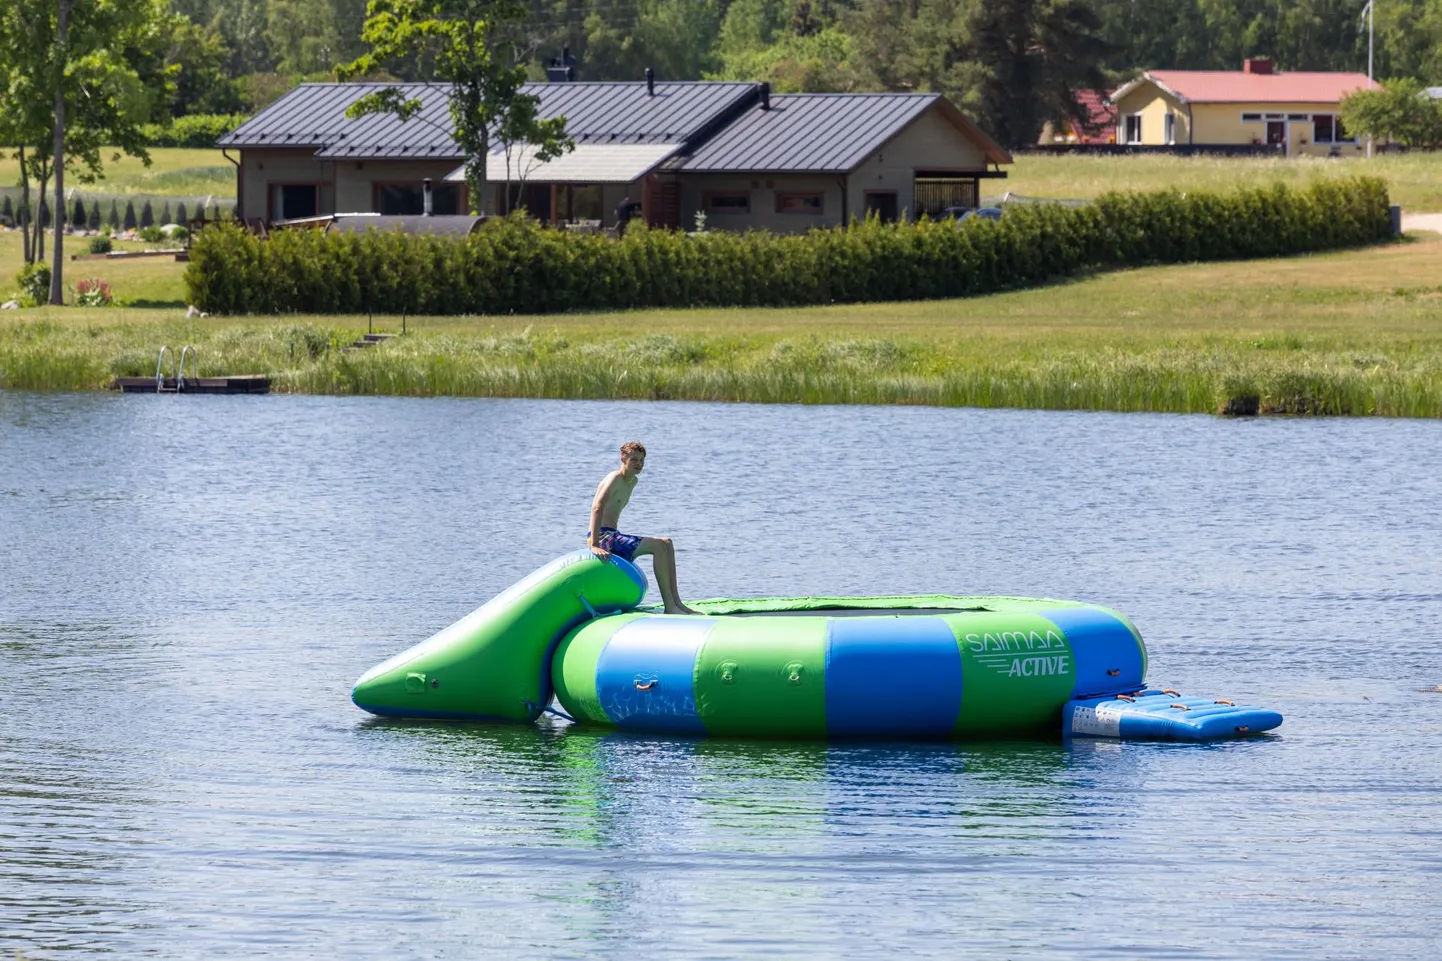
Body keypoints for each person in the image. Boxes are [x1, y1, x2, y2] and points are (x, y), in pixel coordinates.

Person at [588, 441, 698, 615]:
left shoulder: (633, 481)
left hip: (614, 534)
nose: (638, 464)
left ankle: (677, 602)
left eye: (641, 460)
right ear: (623, 458)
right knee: (657, 546)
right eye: (634, 460)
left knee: (667, 543)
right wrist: (594, 544)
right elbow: (597, 507)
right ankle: (669, 606)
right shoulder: (614, 478)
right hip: (603, 538)